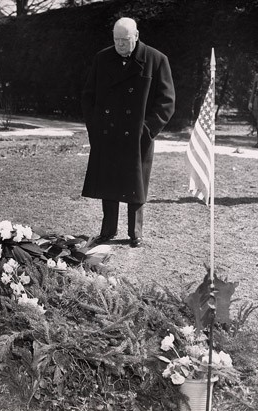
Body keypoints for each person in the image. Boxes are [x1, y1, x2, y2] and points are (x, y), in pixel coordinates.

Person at [81, 17, 175, 248]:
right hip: (108, 134)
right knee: (109, 183)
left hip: (137, 137)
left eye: (125, 40)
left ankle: (135, 233)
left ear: (137, 36)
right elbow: (88, 96)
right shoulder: (102, 58)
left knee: (136, 184)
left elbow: (166, 102)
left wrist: (147, 129)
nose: (120, 45)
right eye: (116, 40)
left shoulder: (156, 59)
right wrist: (95, 127)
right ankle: (108, 230)